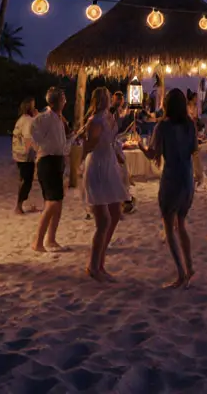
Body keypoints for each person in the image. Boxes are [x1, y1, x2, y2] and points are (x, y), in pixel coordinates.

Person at [139, 88, 197, 288]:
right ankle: (189, 267)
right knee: (181, 223)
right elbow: (193, 149)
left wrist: (140, 146)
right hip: (187, 178)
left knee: (169, 225)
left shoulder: (163, 126)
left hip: (172, 178)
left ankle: (181, 273)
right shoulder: (190, 125)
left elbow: (152, 153)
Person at [82, 87, 130, 281]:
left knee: (116, 213)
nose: (108, 100)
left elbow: (112, 140)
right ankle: (94, 266)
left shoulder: (110, 118)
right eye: (106, 98)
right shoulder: (95, 121)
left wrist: (118, 154)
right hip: (98, 167)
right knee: (103, 220)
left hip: (109, 164)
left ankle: (100, 260)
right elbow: (89, 146)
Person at [30, 87, 71, 253]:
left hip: (57, 160)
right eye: (64, 98)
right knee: (52, 202)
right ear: (58, 101)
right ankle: (38, 241)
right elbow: (33, 135)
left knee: (57, 202)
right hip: (47, 160)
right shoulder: (44, 118)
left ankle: (51, 238)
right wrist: (44, 147)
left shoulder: (58, 119)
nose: (65, 101)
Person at [12, 97, 39, 215]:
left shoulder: (22, 119)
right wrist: (33, 153)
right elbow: (28, 137)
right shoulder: (28, 121)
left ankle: (20, 204)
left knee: (24, 179)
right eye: (33, 106)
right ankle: (19, 206)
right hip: (25, 155)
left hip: (18, 153)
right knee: (27, 180)